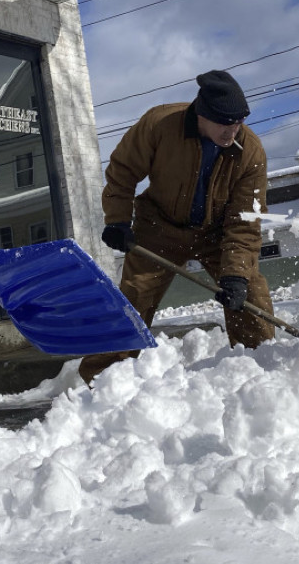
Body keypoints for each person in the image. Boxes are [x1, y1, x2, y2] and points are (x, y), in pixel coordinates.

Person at [79, 70, 276, 383]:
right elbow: (123, 170)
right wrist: (117, 219)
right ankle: (101, 381)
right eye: (225, 122)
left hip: (217, 232)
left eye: (238, 122)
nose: (232, 130)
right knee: (134, 298)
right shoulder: (160, 125)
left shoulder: (249, 151)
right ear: (203, 114)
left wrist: (235, 274)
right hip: (159, 227)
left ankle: (264, 371)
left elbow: (246, 218)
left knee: (249, 292)